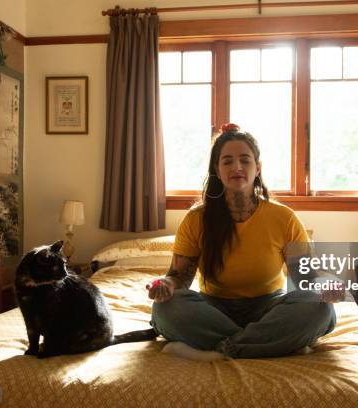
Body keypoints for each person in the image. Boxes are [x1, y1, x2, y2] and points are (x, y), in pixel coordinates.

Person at [147, 123, 343, 361]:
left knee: (320, 305)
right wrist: (165, 284)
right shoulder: (196, 219)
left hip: (268, 308)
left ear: (257, 168)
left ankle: (219, 350)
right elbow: (179, 278)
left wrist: (328, 283)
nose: (236, 167)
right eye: (227, 161)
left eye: (245, 160)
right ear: (217, 171)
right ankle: (271, 344)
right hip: (212, 310)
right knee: (166, 308)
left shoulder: (283, 217)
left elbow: (306, 278)